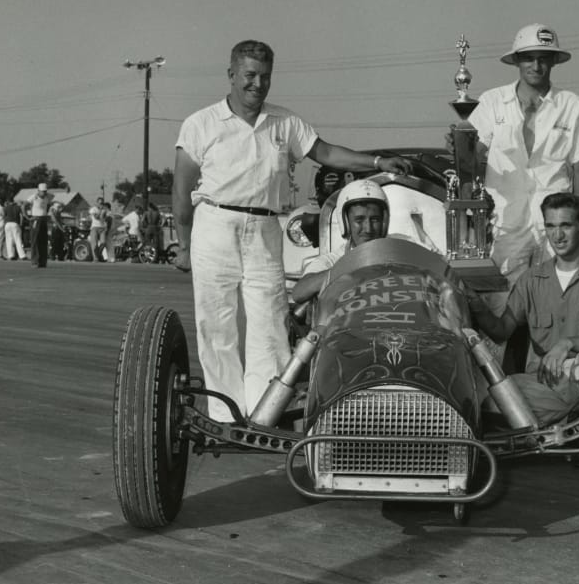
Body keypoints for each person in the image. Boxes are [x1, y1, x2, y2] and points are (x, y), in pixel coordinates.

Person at [172, 39, 412, 420]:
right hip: (215, 224)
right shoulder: (200, 124)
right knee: (216, 324)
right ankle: (224, 415)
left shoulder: (285, 122)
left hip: (265, 227)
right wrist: (183, 245)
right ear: (231, 74)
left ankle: (263, 413)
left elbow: (326, 153)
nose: (258, 84)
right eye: (250, 75)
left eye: (265, 77)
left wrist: (378, 161)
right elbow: (181, 189)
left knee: (270, 320)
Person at [446, 23, 579, 335]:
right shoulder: (491, 102)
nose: (536, 65)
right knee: (503, 309)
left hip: (555, 224)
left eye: (543, 58)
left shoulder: (572, 105)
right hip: (506, 225)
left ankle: (555, 362)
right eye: (529, 58)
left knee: (560, 304)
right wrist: (461, 148)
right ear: (516, 60)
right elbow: (471, 161)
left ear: (554, 61)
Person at [464, 192, 579, 426]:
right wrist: (474, 303)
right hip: (546, 384)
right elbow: (501, 331)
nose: (558, 235)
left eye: (566, 225)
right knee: (493, 404)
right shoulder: (531, 280)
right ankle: (571, 423)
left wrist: (568, 343)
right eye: (551, 226)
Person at [291, 179, 390, 304]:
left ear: (383, 222)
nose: (368, 229)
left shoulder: (397, 252)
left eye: (375, 220)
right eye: (359, 220)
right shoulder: (332, 260)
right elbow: (299, 293)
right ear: (346, 223)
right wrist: (347, 268)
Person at [25, 182, 53, 267]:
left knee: (43, 241)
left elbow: (49, 205)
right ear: (38, 191)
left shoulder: (47, 197)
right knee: (35, 241)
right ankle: (35, 261)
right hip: (36, 219)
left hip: (43, 219)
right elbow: (23, 206)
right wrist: (28, 217)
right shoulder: (33, 197)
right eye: (42, 191)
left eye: (45, 191)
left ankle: (43, 261)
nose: (44, 193)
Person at [3, 195, 28, 260]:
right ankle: (22, 255)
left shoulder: (6, 207)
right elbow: (21, 216)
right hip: (15, 223)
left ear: (8, 201)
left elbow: (4, 216)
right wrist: (21, 224)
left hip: (7, 224)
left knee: (9, 240)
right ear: (13, 200)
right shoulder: (17, 207)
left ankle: (11, 255)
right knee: (18, 240)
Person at [88, 197, 107, 262]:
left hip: (102, 228)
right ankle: (95, 258)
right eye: (99, 203)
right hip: (94, 228)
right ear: (97, 203)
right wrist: (101, 211)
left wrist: (103, 212)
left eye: (102, 203)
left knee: (103, 243)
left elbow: (104, 218)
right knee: (95, 245)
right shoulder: (93, 209)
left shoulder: (104, 209)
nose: (101, 204)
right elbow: (96, 217)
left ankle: (98, 254)